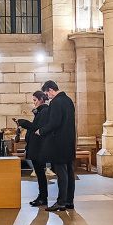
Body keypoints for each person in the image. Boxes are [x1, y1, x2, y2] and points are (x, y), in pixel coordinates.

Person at [37, 80, 76, 212]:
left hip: (59, 142)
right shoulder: (69, 101)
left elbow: (54, 123)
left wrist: (41, 131)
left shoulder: (56, 102)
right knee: (69, 171)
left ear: (50, 90)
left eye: (47, 94)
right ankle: (69, 201)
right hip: (70, 141)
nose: (47, 97)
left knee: (62, 172)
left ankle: (61, 202)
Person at [13, 91, 50, 207]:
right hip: (36, 147)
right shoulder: (40, 112)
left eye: (35, 100)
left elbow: (39, 129)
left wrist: (26, 123)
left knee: (41, 173)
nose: (34, 103)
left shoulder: (44, 112)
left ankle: (43, 197)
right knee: (39, 173)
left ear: (41, 100)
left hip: (39, 148)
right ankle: (41, 196)